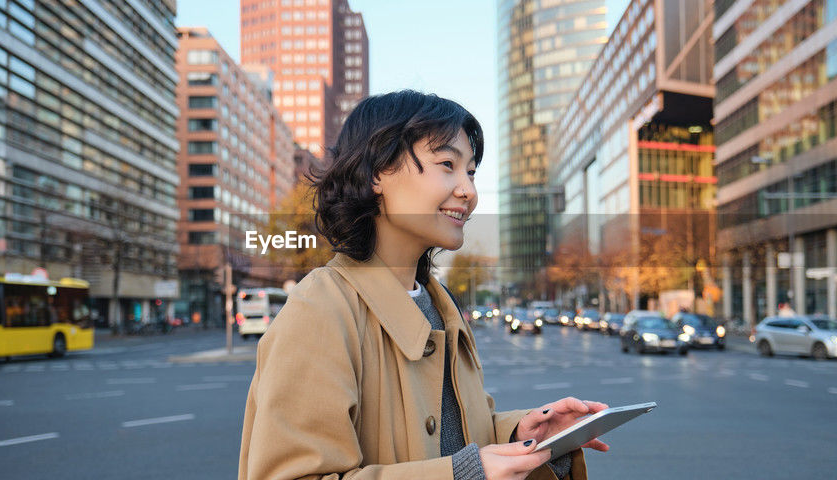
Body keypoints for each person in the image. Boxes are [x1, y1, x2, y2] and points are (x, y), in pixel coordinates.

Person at [239, 90, 608, 480]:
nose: (468, 191)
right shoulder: (321, 307)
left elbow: (452, 436)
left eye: (471, 171)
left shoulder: (442, 306)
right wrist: (464, 474)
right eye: (447, 164)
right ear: (377, 172)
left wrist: (525, 436)